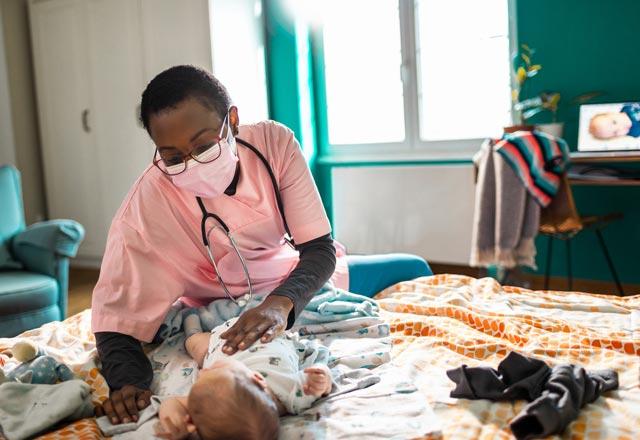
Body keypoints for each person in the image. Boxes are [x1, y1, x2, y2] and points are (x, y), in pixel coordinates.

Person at [92, 65, 431, 424]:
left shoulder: (274, 144)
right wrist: (126, 382)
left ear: (232, 120)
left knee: (415, 269)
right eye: (174, 157)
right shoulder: (146, 206)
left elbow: (319, 249)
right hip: (217, 306)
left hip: (293, 282)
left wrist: (279, 304)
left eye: (204, 146)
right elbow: (116, 316)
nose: (191, 165)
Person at [154, 318, 332, 440]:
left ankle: (191, 326)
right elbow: (320, 378)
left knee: (196, 346)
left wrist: (175, 421)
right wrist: (322, 378)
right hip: (261, 328)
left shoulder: (207, 404)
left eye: (205, 373)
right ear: (257, 378)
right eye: (215, 369)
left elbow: (172, 402)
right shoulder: (293, 393)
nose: (203, 371)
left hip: (218, 344)